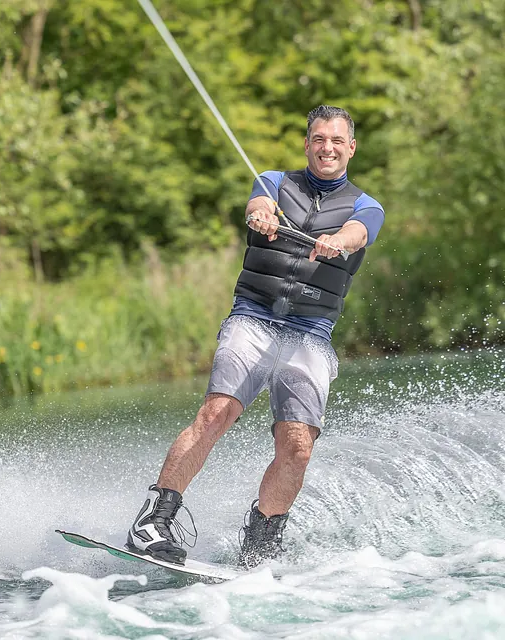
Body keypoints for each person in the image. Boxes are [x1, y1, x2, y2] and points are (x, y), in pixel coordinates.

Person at [127, 105, 385, 567]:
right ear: (307, 144)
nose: (327, 147)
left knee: (298, 446)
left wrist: (339, 243)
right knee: (217, 412)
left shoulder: (367, 206)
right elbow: (258, 204)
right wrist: (262, 216)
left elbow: (358, 233)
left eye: (336, 141)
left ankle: (261, 542)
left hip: (309, 333)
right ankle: (155, 518)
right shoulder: (272, 183)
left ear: (351, 147)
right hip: (254, 318)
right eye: (319, 139)